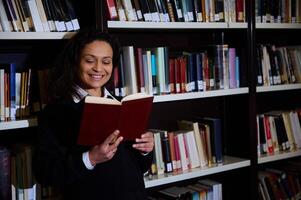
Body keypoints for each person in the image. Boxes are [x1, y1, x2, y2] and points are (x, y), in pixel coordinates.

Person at [33, 29, 154, 200]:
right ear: (76, 62)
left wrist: (146, 151)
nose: (98, 68)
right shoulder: (55, 112)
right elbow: (44, 173)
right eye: (89, 60)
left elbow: (140, 167)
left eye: (106, 61)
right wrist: (90, 158)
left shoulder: (124, 105)